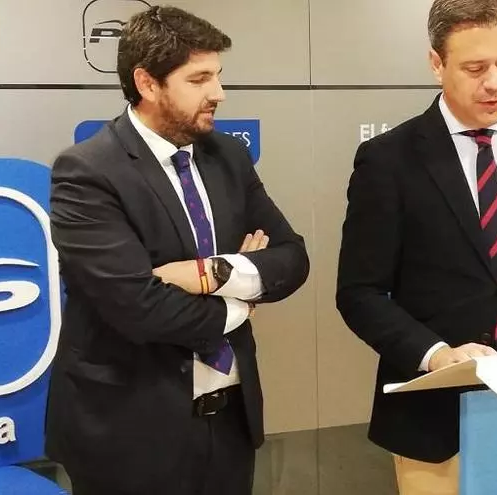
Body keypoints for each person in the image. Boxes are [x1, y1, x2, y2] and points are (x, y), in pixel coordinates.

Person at [45, 6, 309, 495]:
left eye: (218, 75)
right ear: (147, 83)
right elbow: (139, 307)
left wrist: (212, 273)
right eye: (199, 79)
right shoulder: (87, 172)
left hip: (229, 423)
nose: (219, 93)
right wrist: (240, 306)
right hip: (129, 434)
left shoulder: (227, 155)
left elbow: (292, 258)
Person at [335, 0, 497, 492]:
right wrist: (435, 355)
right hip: (433, 425)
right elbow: (359, 294)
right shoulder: (388, 161)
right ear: (437, 64)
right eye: (475, 69)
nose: (495, 83)